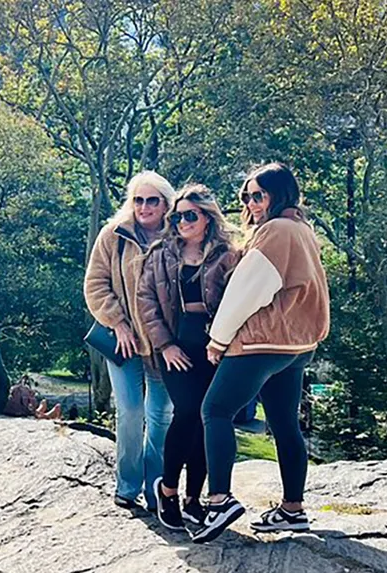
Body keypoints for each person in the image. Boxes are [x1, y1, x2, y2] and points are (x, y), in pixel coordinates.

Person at [192, 163, 330, 544]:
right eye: (247, 196)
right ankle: (292, 509)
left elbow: (247, 291)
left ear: (280, 194)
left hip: (262, 341)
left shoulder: (275, 232)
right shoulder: (302, 229)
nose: (251, 204)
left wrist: (218, 340)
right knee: (285, 423)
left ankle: (219, 500)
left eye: (259, 195)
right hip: (296, 345)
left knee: (215, 410)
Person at [136, 185, 238, 531]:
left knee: (209, 418)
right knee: (188, 411)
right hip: (175, 346)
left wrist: (224, 344)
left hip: (216, 347)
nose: (181, 222)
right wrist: (164, 345)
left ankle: (194, 499)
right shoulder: (160, 253)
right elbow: (146, 302)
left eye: (189, 215)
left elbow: (240, 301)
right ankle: (167, 490)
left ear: (208, 218)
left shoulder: (228, 254)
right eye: (176, 216)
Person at [84, 170, 175, 511]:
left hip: (162, 345)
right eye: (139, 199)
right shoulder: (114, 235)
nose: (145, 207)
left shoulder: (177, 236)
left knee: (161, 415)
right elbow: (95, 284)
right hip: (123, 343)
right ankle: (127, 485)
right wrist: (118, 323)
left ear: (166, 203)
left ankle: (158, 490)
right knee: (131, 411)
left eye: (153, 200)